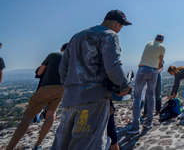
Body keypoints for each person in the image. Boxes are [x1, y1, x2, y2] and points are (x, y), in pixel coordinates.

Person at [52, 10, 132, 150]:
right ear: (115, 23)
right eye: (121, 26)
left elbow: (62, 69)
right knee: (88, 144)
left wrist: (71, 87)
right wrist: (124, 86)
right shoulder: (109, 35)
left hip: (70, 99)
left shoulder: (76, 36)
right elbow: (113, 66)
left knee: (61, 143)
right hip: (94, 100)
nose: (120, 29)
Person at [6, 43, 68, 150]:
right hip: (62, 90)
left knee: (27, 117)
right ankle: (38, 144)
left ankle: (10, 147)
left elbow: (40, 71)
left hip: (46, 88)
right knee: (50, 115)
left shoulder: (54, 55)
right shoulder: (73, 60)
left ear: (62, 49)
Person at [128, 34, 165, 134]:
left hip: (143, 69)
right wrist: (158, 66)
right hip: (154, 72)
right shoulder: (162, 47)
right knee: (151, 95)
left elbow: (144, 57)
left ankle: (135, 127)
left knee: (137, 97)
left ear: (155, 39)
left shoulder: (148, 44)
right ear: (162, 40)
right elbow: (160, 63)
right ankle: (148, 123)